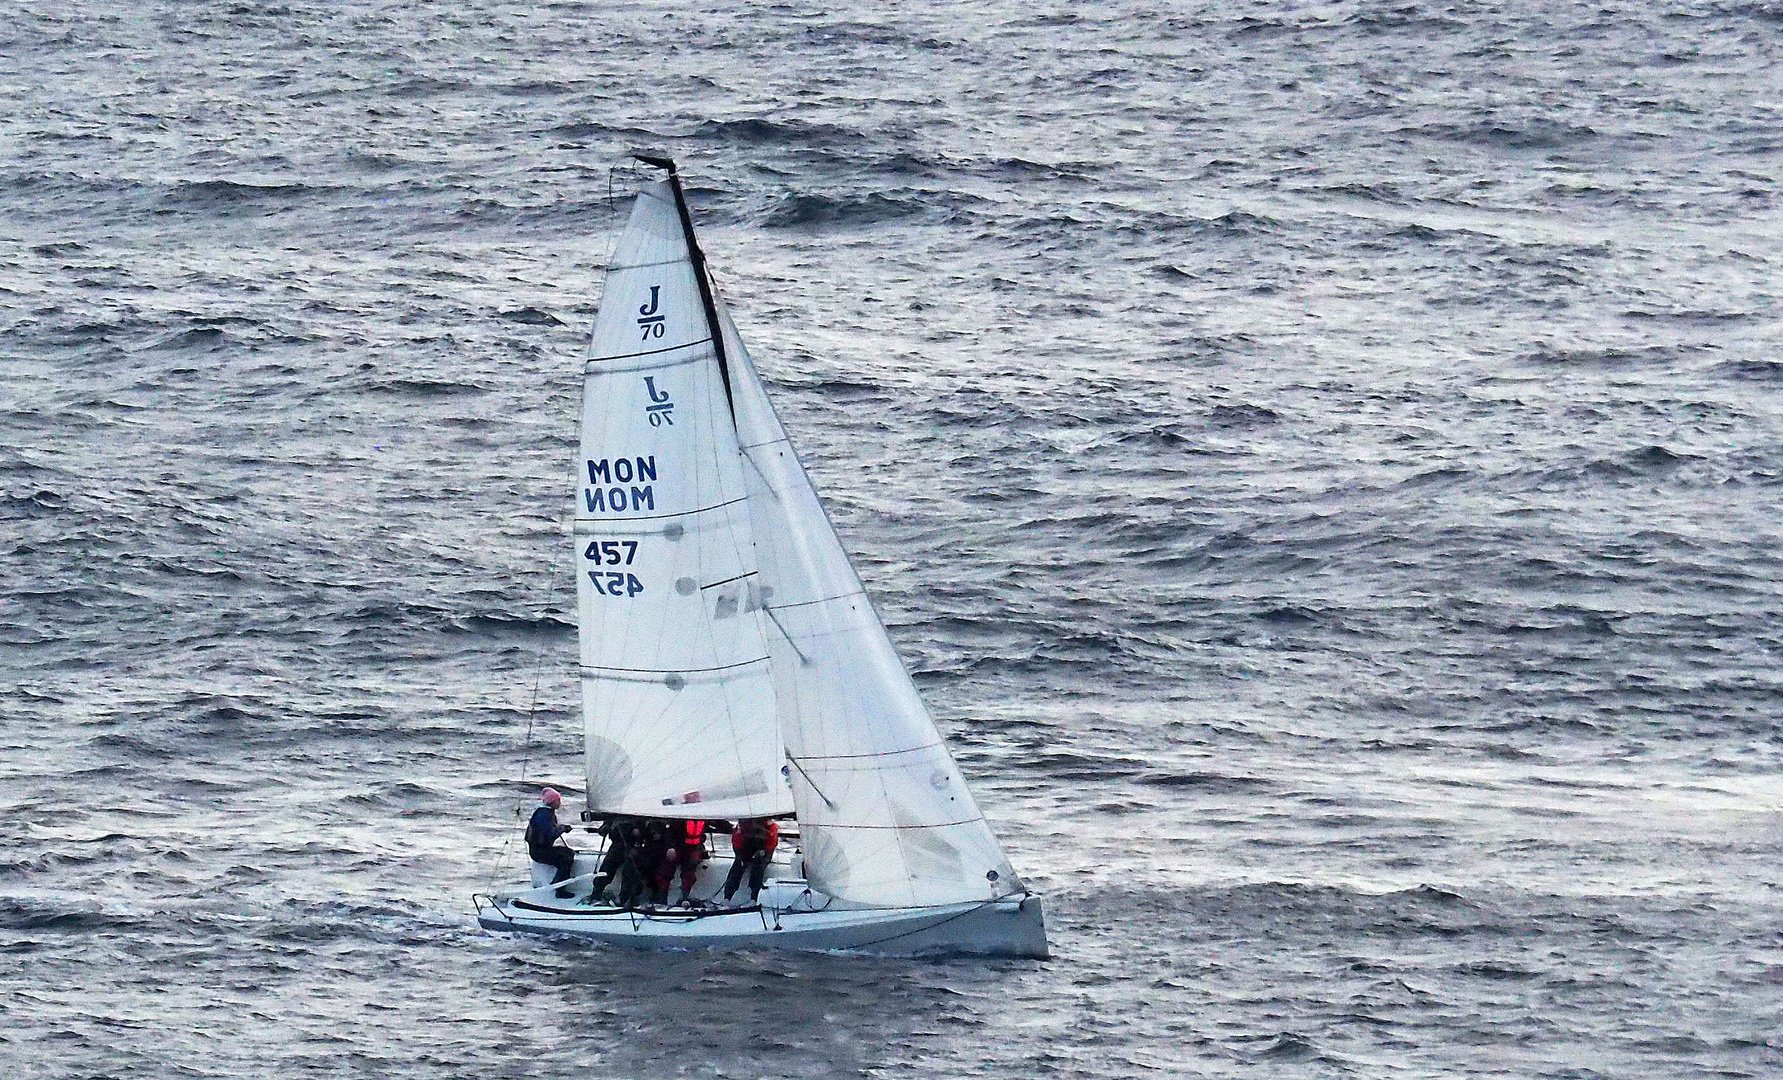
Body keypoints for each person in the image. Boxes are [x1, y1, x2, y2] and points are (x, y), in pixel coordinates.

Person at [524, 788, 577, 899]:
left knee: (568, 853)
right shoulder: (544, 815)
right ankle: (559, 888)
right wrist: (563, 829)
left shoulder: (543, 812)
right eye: (558, 800)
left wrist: (561, 828)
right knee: (565, 859)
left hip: (539, 849)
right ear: (552, 801)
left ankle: (557, 882)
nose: (560, 803)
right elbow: (549, 834)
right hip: (539, 851)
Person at [722, 817, 779, 904]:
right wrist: (740, 854)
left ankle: (754, 897)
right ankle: (727, 897)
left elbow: (772, 843)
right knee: (737, 866)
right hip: (746, 849)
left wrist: (762, 852)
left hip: (763, 851)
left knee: (758, 867)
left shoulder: (769, 825)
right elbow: (736, 841)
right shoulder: (743, 825)